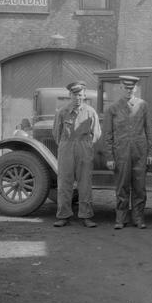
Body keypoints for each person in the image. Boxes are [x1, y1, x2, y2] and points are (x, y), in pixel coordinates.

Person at [103, 75, 152, 229]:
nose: (128, 91)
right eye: (126, 88)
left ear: (136, 89)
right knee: (122, 187)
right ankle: (121, 219)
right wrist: (109, 157)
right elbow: (108, 135)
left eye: (131, 88)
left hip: (140, 153)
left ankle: (138, 218)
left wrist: (151, 153)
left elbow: (149, 130)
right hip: (121, 153)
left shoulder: (143, 105)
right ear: (121, 88)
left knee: (140, 187)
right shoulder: (112, 108)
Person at [52, 81, 101, 228]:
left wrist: (86, 145)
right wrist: (66, 145)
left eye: (80, 95)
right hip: (66, 147)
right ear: (69, 95)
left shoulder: (90, 112)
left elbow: (97, 133)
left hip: (84, 148)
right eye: (74, 95)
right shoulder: (62, 112)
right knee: (64, 183)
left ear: (84, 95)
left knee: (85, 183)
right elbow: (56, 134)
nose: (77, 98)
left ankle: (86, 216)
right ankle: (63, 216)